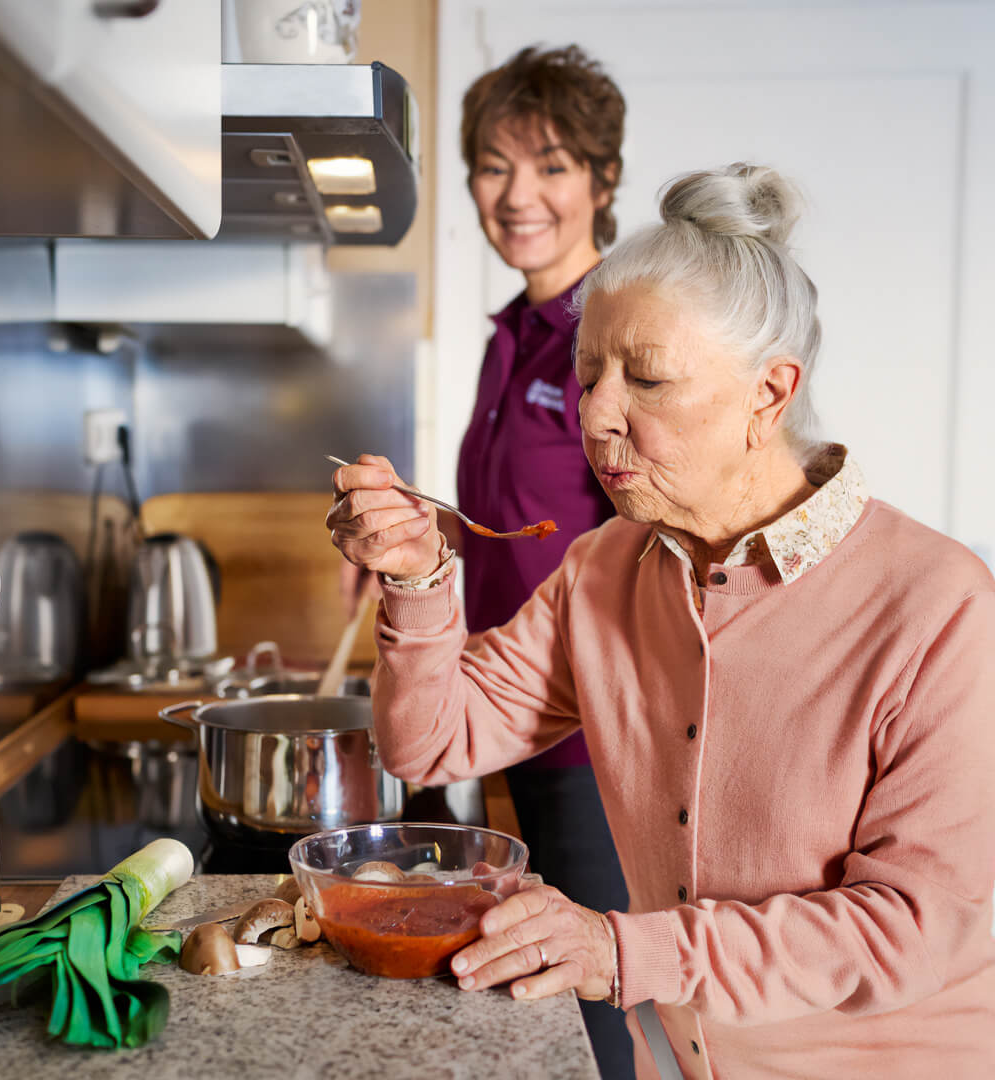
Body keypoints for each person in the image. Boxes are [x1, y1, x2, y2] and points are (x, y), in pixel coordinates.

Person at [326, 162, 995, 1078]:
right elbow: (431, 743)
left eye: (646, 378)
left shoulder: (940, 605)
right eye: (588, 373)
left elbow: (912, 928)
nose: (597, 412)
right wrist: (417, 576)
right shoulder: (604, 571)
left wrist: (623, 951)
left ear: (769, 394)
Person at [343, 44, 634, 1076]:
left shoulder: (610, 334)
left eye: (552, 165)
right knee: (533, 990)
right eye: (494, 166)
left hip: (589, 731)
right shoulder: (514, 332)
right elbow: (527, 516)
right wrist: (415, 532)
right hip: (508, 709)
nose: (518, 196)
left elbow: (641, 531)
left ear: (603, 180)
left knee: (589, 997)